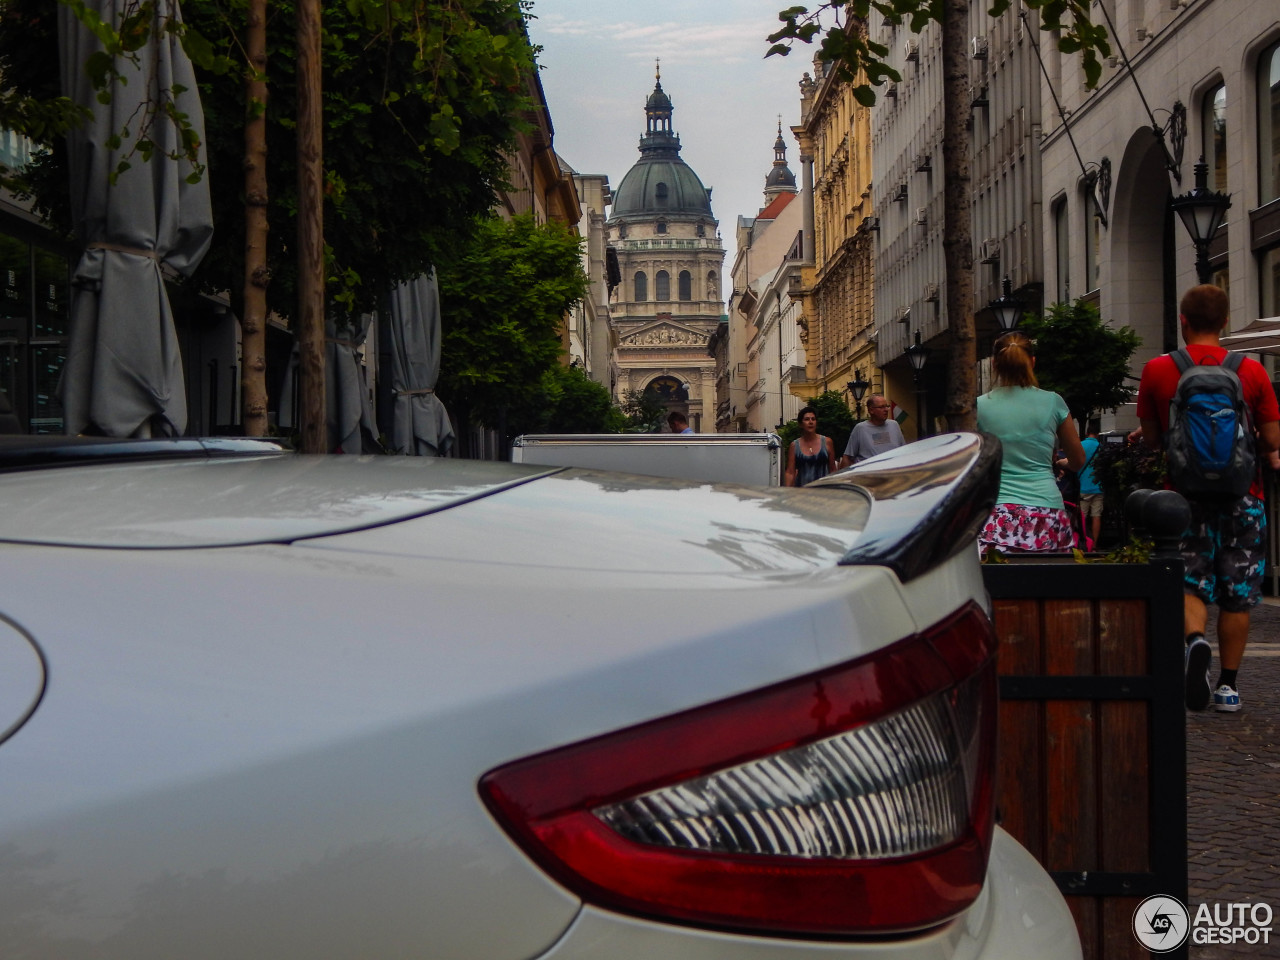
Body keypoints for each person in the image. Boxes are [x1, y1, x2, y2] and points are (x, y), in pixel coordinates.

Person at [1136, 284, 1280, 713]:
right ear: (1225, 323)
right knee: (1238, 593)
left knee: (1187, 580)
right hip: (1243, 496)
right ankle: (1229, 688)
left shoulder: (1159, 370)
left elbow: (1150, 438)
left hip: (1183, 498)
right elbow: (1272, 437)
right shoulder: (1250, 372)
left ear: (1183, 322)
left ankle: (1195, 642)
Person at [976, 331, 1086, 553]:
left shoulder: (978, 406)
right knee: (1048, 585)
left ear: (995, 365)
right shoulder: (1054, 402)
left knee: (998, 586)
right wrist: (1062, 463)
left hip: (996, 512)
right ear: (1032, 362)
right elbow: (1078, 459)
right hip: (1046, 511)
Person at [839, 394, 905, 468]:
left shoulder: (894, 425)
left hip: (893, 475)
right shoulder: (860, 429)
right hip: (869, 476)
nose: (886, 409)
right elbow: (847, 457)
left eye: (887, 406)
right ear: (871, 410)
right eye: (881, 407)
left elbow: (903, 451)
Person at [785, 406, 837, 486]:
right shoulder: (794, 446)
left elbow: (832, 469)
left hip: (824, 492)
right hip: (803, 492)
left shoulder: (827, 442)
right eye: (806, 419)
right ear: (800, 424)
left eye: (813, 419)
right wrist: (786, 491)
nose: (810, 422)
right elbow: (790, 472)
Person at [1073, 423, 1103, 548]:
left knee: (1082, 517)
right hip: (1098, 486)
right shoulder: (1101, 447)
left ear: (1087, 433)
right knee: (1096, 516)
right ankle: (1094, 545)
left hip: (1083, 486)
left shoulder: (1080, 446)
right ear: (1097, 434)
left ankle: (1083, 544)